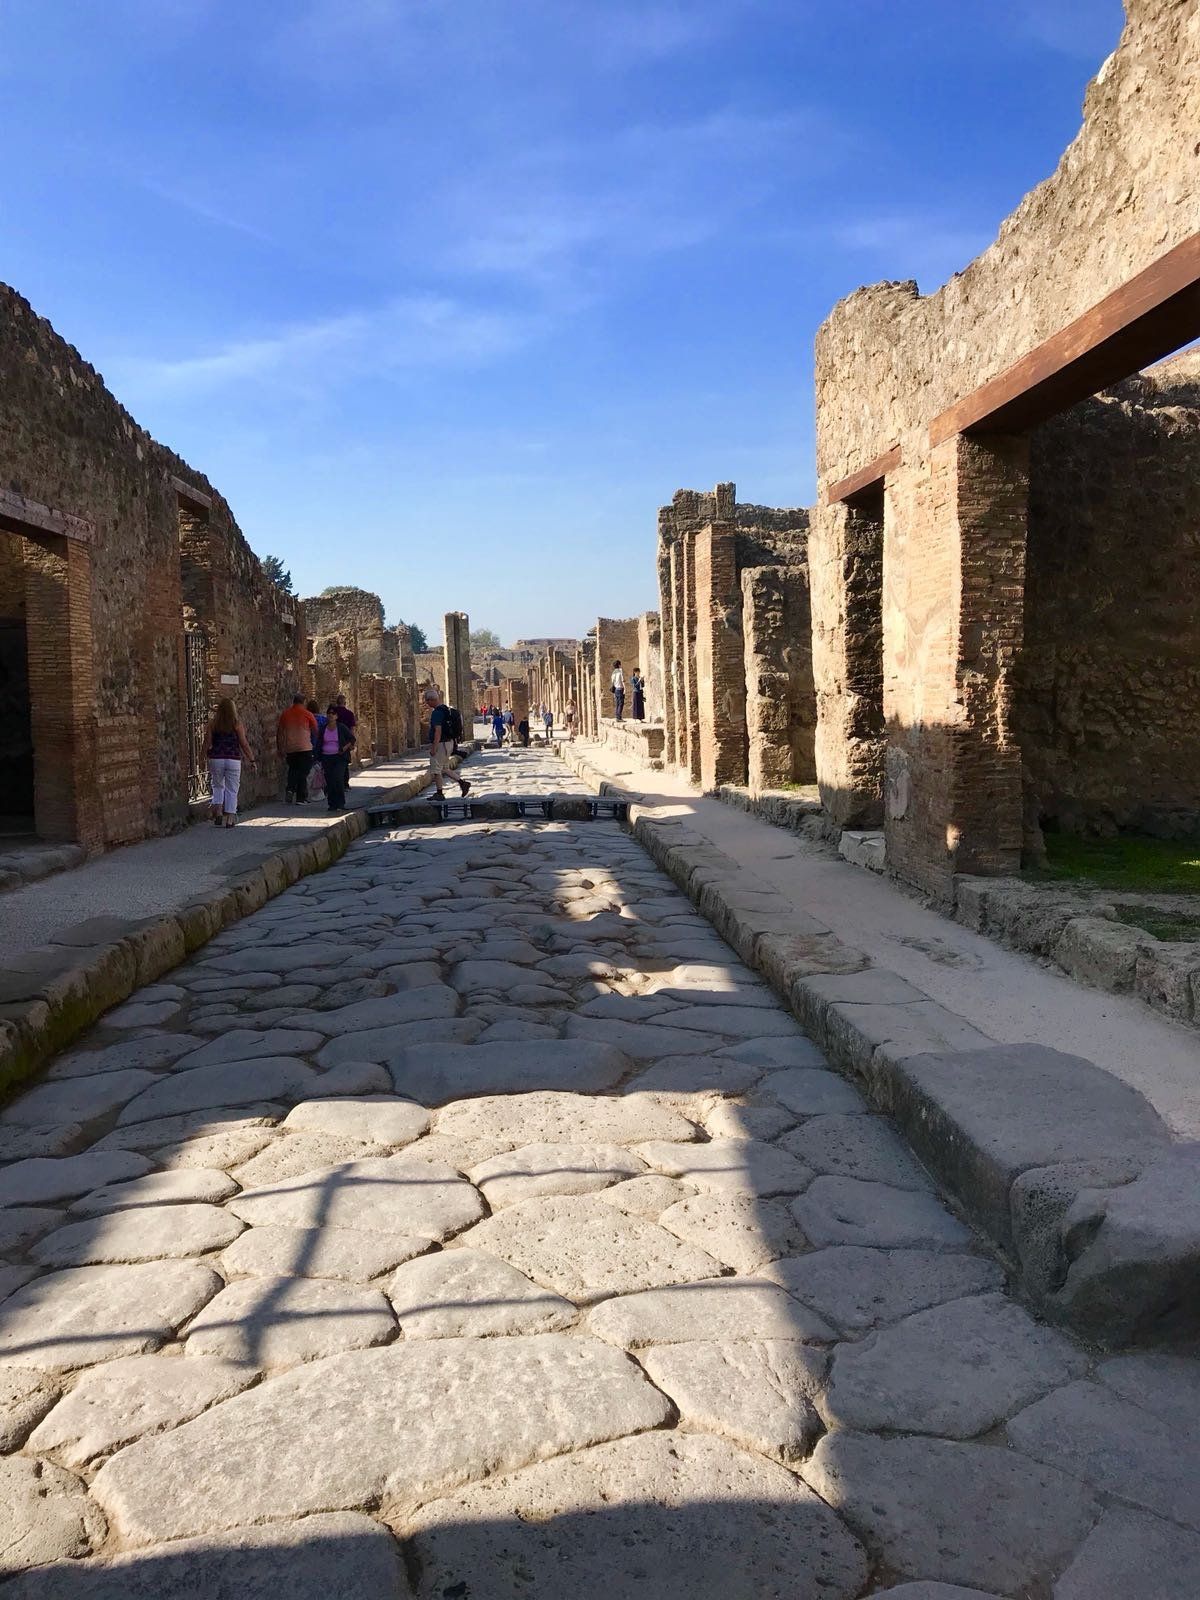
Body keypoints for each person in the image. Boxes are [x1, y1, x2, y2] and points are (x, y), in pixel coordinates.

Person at [207, 698, 255, 829]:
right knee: (232, 789)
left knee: (217, 785)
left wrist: (202, 755)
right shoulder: (237, 724)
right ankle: (230, 818)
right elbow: (244, 743)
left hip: (216, 759)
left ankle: (218, 812)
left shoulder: (213, 724)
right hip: (233, 759)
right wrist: (252, 759)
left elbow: (207, 742)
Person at [424, 688, 471, 799]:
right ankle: (463, 783)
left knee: (436, 769)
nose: (426, 703)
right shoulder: (445, 709)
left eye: (427, 701)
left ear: (431, 700)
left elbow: (438, 731)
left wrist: (434, 747)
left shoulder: (437, 713)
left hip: (441, 744)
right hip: (448, 743)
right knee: (444, 768)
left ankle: (439, 793)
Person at [277, 693, 318, 803]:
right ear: (303, 702)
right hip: (305, 748)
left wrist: (280, 747)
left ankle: (290, 789)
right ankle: (301, 797)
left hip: (290, 748)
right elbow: (316, 730)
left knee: (293, 770)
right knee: (303, 772)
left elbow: (280, 732)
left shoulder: (285, 714)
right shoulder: (307, 714)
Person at [318, 701, 355, 811]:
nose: (331, 715)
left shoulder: (341, 727)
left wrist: (344, 748)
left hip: (340, 757)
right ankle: (332, 804)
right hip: (326, 757)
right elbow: (319, 742)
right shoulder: (323, 729)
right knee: (329, 780)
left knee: (338, 778)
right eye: (329, 713)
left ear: (336, 716)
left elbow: (352, 739)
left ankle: (340, 803)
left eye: (333, 713)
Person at [334, 694, 357, 790]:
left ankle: (336, 783)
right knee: (345, 762)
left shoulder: (333, 713)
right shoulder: (349, 714)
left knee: (334, 762)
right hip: (346, 741)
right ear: (345, 703)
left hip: (334, 739)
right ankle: (345, 784)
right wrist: (352, 742)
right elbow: (352, 729)